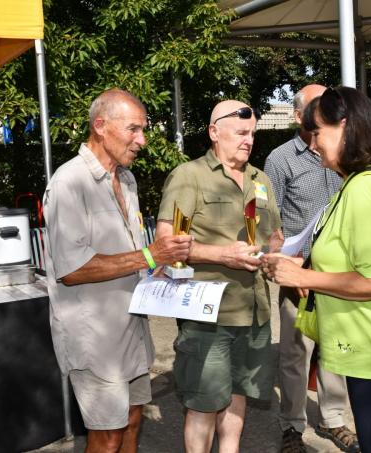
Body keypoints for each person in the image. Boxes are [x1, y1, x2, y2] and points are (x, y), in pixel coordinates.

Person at [262, 87, 371, 453]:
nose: (315, 142)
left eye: (318, 132)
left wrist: (302, 277)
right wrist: (302, 262)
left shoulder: (364, 190)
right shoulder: (360, 182)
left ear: (346, 127)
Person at [43, 88, 192, 453]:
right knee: (107, 437)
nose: (142, 140)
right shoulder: (68, 182)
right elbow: (72, 269)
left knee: (133, 419)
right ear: (100, 126)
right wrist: (149, 256)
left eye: (143, 130)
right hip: (95, 338)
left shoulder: (126, 179)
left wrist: (155, 270)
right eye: (133, 129)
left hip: (132, 328)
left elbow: (129, 252)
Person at [155, 100, 283, 453]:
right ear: (214, 132)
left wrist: (279, 254)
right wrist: (221, 254)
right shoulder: (189, 177)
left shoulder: (261, 180)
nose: (249, 140)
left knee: (237, 394)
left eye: (253, 134)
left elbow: (273, 236)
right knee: (204, 403)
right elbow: (167, 244)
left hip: (254, 310)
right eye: (241, 133)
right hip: (207, 315)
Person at [264, 84, 359, 453]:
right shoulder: (280, 158)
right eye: (316, 107)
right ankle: (292, 425)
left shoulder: (346, 154)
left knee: (336, 348)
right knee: (295, 353)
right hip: (298, 275)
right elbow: (273, 224)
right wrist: (287, 264)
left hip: (335, 276)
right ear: (297, 115)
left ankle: (334, 419)